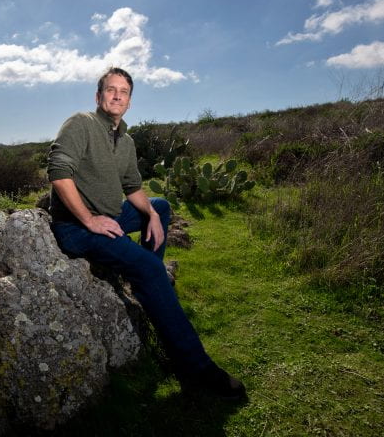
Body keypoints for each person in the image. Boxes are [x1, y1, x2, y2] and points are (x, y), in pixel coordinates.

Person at [47, 67, 246, 400]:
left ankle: (147, 286)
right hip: (76, 228)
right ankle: (196, 370)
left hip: (111, 216)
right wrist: (89, 220)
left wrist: (151, 214)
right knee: (151, 268)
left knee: (162, 206)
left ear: (129, 101)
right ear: (98, 96)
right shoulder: (80, 122)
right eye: (110, 89)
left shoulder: (125, 140)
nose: (117, 95)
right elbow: (58, 171)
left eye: (124, 91)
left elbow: (132, 186)